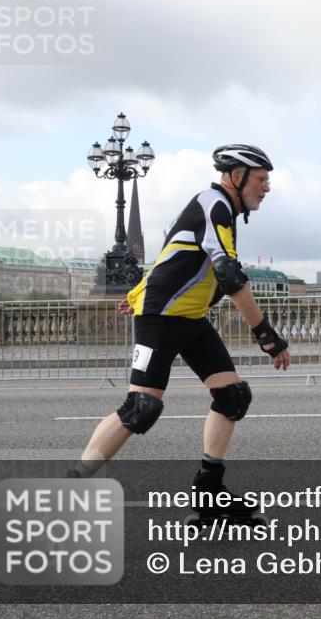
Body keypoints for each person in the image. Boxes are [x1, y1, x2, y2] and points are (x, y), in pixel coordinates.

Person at [70, 144, 290, 519]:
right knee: (141, 407)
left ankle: (209, 496)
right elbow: (229, 274)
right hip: (162, 318)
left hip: (189, 318)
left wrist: (137, 291)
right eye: (262, 179)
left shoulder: (221, 209)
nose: (267, 188)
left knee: (232, 396)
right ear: (237, 177)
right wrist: (265, 334)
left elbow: (175, 252)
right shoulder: (214, 203)